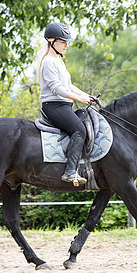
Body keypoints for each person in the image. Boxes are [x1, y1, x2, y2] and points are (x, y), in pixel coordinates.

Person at [37, 22, 94, 185]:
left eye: (66, 42)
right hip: (54, 106)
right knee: (79, 130)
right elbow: (56, 88)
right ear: (51, 41)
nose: (66, 45)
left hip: (63, 105)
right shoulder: (48, 61)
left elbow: (68, 85)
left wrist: (86, 96)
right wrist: (79, 99)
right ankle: (70, 172)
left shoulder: (59, 62)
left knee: (85, 118)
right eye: (63, 42)